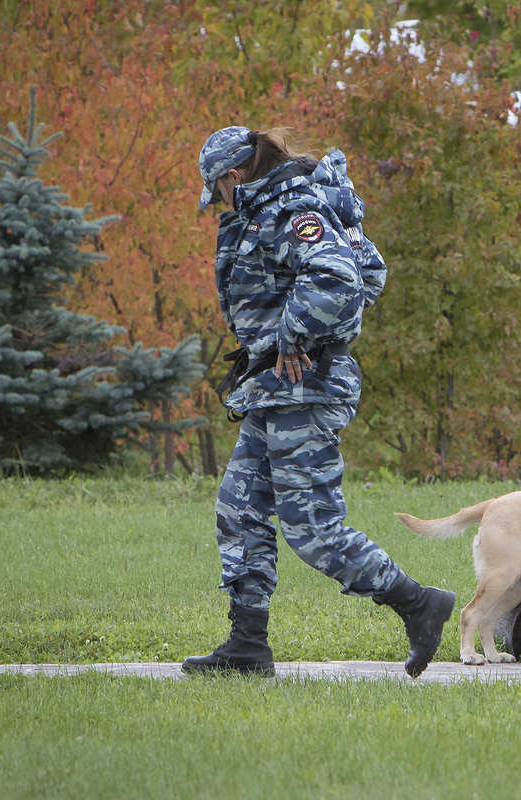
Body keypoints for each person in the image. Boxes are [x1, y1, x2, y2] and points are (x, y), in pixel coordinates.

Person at [183, 126, 455, 678]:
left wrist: (295, 336)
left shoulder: (290, 208)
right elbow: (372, 269)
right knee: (239, 509)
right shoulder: (286, 205)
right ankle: (246, 646)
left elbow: (341, 281)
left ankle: (419, 603)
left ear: (234, 175)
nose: (219, 204)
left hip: (304, 389)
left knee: (314, 528)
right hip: (274, 391)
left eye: (219, 191)